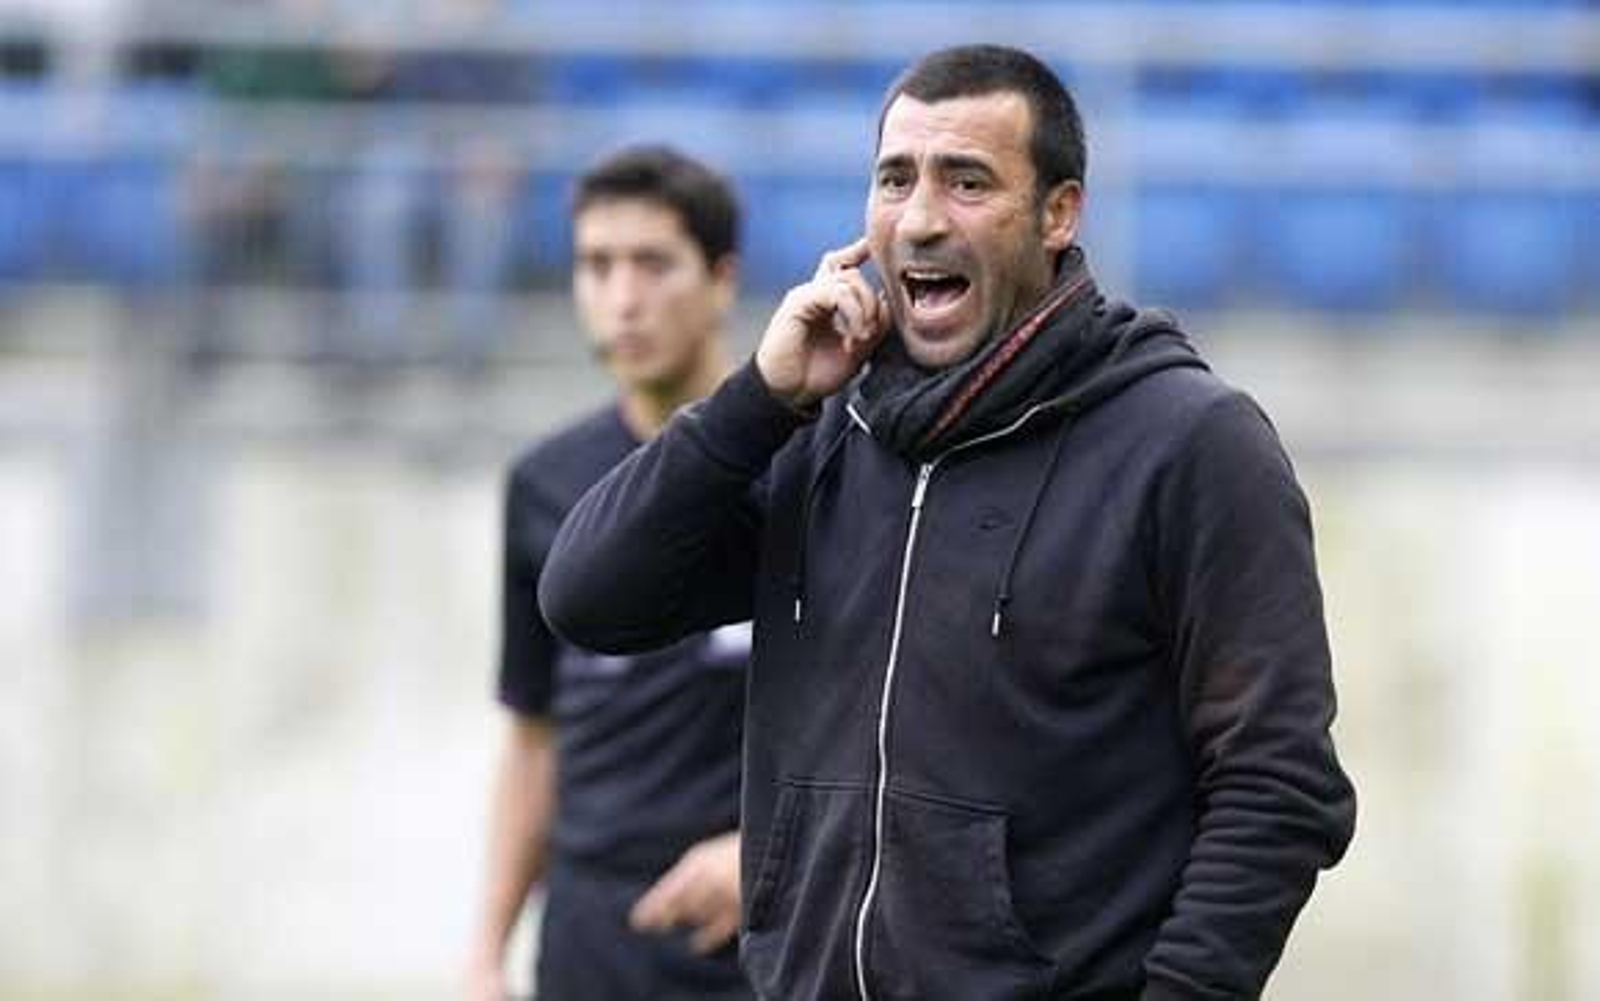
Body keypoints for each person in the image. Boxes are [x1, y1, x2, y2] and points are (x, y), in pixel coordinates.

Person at [540, 45, 1357, 1001]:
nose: (922, 218)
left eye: (966, 181)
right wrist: (758, 399)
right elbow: (589, 595)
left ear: (1059, 213)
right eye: (896, 180)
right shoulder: (822, 431)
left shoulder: (1190, 443)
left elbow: (1279, 783)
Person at [465, 146, 753, 1001]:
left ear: (721, 279)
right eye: (597, 265)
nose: (622, 298)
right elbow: (532, 734)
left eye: (653, 263)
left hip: (758, 938)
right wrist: (485, 950)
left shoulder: (811, 463)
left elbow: (893, 727)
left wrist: (773, 851)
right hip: (591, 942)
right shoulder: (545, 483)